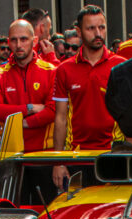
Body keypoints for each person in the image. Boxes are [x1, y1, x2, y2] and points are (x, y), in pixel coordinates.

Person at [51, 6, 125, 189]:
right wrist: (58, 162)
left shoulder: (121, 66)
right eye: (91, 28)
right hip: (76, 157)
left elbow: (129, 116)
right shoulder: (64, 70)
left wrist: (127, 156)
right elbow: (60, 118)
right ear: (79, 31)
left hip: (112, 156)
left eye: (101, 27)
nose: (98, 33)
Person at [0, 20, 57, 202]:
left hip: (44, 156)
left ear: (34, 40)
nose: (19, 45)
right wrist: (30, 108)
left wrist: (20, 122)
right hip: (13, 157)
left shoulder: (51, 71)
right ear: (8, 42)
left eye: (24, 39)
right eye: (14, 40)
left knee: (46, 214)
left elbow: (52, 111)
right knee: (14, 216)